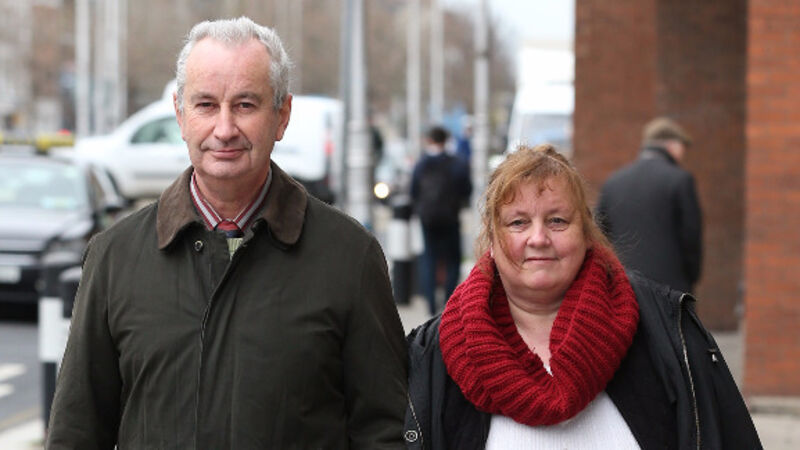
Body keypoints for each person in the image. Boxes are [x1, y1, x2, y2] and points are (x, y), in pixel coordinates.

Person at [47, 17, 407, 449]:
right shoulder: (115, 256)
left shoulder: (349, 257)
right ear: (180, 115)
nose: (224, 129)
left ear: (282, 116)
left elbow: (385, 432)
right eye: (205, 105)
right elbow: (77, 433)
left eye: (245, 105)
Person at [403, 144, 760, 449]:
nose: (538, 238)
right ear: (492, 240)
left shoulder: (667, 330)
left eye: (557, 220)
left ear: (586, 233)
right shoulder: (436, 354)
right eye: (518, 223)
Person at [596, 117, 702, 293]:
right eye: (683, 146)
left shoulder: (613, 182)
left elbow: (600, 232)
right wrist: (691, 276)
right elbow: (690, 236)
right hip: (670, 290)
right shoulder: (680, 180)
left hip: (623, 287)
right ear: (672, 145)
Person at [410, 125, 472, 315]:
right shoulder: (456, 163)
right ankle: (449, 303)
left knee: (429, 258)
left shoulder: (421, 164)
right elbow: (466, 189)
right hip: (450, 217)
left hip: (428, 219)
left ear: (429, 140)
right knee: (453, 260)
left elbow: (413, 191)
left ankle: (430, 304)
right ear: (446, 141)